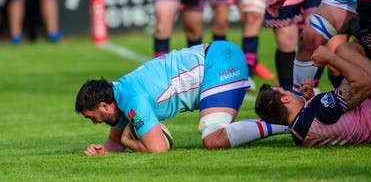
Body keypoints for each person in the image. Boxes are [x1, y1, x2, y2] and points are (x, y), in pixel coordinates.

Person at [75, 41, 289, 154]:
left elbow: (158, 148)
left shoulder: (131, 100)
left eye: (92, 117)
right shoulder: (119, 96)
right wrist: (104, 151)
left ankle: (289, 124)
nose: (95, 122)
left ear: (104, 105)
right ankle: (291, 113)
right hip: (218, 58)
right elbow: (113, 142)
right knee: (218, 136)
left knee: (213, 139)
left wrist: (126, 140)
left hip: (220, 62)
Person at [255, 42, 371, 147]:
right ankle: (364, 35)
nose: (289, 91)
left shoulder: (298, 137)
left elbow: (327, 122)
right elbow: (365, 83)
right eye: (285, 91)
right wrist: (331, 58)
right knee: (344, 50)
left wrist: (309, 99)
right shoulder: (319, 109)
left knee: (344, 72)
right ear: (286, 99)